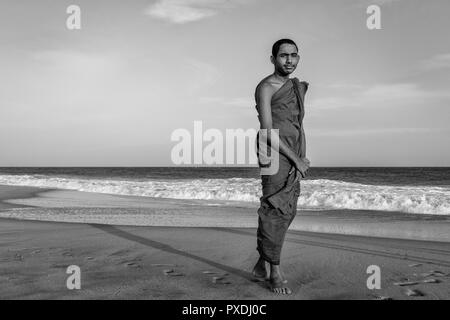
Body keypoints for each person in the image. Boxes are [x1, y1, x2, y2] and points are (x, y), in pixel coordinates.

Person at [253, 38, 310, 295]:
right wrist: (295, 159)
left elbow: (297, 124)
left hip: (294, 150)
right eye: (284, 55)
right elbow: (266, 131)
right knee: (275, 207)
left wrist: (301, 155)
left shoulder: (295, 87)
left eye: (294, 55)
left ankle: (261, 262)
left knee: (289, 209)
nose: (289, 60)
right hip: (271, 151)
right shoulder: (266, 87)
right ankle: (274, 271)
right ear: (273, 59)